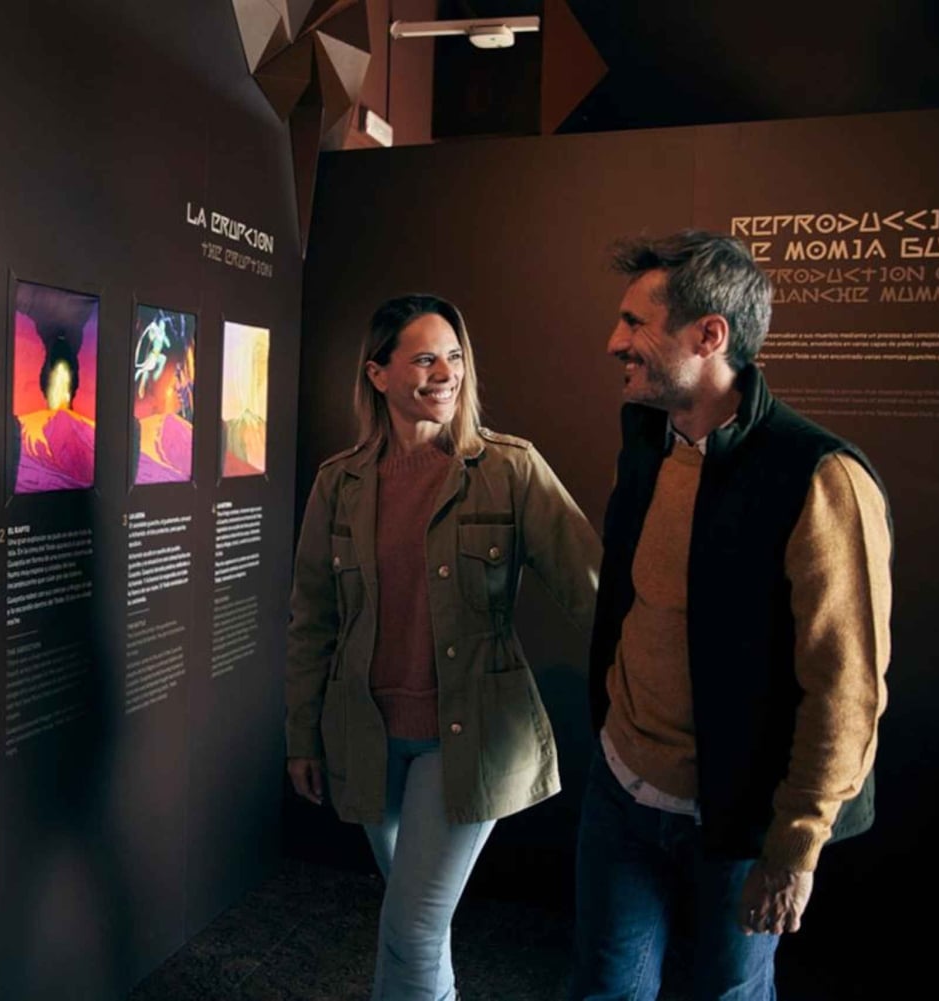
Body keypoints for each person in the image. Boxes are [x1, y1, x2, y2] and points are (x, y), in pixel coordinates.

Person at [571, 231, 893, 999]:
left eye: (635, 322)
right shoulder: (646, 438)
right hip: (620, 786)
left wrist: (795, 848)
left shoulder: (818, 476)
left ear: (709, 335)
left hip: (742, 818)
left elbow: (846, 688)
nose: (614, 342)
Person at [286, 293, 601, 1001]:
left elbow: (593, 591)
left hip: (468, 736)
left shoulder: (509, 468)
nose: (446, 372)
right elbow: (312, 618)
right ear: (378, 374)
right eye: (425, 357)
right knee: (416, 919)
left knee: (413, 926)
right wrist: (301, 734)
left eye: (454, 357)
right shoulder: (339, 482)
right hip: (367, 733)